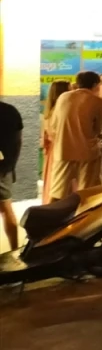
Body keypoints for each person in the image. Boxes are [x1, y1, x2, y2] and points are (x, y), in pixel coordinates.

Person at [48, 71, 102, 199]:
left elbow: (54, 124)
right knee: (87, 191)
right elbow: (97, 130)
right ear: (95, 85)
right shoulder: (98, 102)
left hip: (63, 149)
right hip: (87, 151)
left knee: (58, 191)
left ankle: (50, 211)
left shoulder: (63, 97)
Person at [40, 80, 71, 204]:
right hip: (61, 151)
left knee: (53, 183)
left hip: (53, 151)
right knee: (60, 186)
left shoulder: (50, 111)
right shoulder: (61, 112)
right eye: (69, 90)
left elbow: (45, 139)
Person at [0, 101, 24, 251]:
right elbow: (18, 142)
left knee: (6, 209)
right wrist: (11, 165)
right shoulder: (11, 111)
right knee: (6, 209)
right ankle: (15, 250)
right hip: (4, 168)